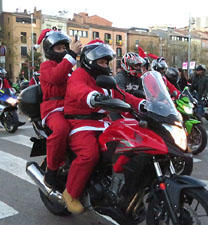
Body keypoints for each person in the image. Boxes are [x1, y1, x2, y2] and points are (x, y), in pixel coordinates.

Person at [63, 40, 145, 214]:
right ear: (90, 60)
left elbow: (124, 96)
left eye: (107, 62)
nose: (105, 65)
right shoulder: (80, 75)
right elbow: (77, 89)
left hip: (103, 123)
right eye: (102, 62)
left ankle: (121, 189)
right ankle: (71, 193)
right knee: (89, 154)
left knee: (129, 144)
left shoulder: (106, 80)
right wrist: (93, 96)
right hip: (81, 123)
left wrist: (143, 104)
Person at [38, 28, 82, 188]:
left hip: (71, 108)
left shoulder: (69, 68)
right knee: (61, 129)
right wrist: (71, 54)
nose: (63, 51)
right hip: (53, 109)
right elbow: (57, 77)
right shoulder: (46, 66)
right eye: (59, 48)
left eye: (65, 48)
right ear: (50, 50)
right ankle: (51, 171)